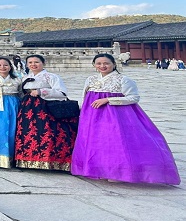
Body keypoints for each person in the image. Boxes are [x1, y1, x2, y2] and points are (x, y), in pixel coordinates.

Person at [71, 54, 180, 184]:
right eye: (98, 63)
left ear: (114, 64)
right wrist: (83, 112)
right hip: (92, 115)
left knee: (114, 142)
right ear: (94, 65)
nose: (102, 66)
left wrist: (108, 99)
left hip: (115, 116)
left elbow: (134, 97)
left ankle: (118, 171)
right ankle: (98, 170)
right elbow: (85, 96)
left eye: (106, 63)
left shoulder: (123, 80)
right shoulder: (90, 79)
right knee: (96, 142)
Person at [14, 55, 77, 171]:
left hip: (45, 108)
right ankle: (28, 159)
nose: (33, 65)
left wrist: (41, 91)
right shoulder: (25, 77)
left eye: (36, 62)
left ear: (43, 63)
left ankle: (50, 160)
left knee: (46, 132)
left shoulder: (51, 77)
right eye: (30, 62)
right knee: (27, 131)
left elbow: (62, 93)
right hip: (27, 108)